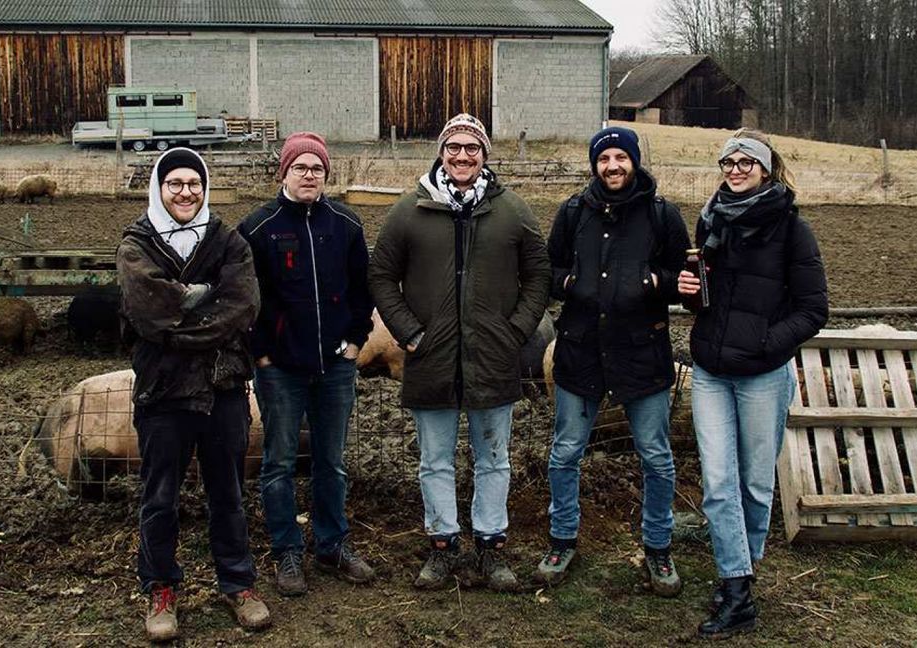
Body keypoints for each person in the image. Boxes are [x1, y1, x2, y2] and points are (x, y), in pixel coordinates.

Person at [368, 113, 550, 592]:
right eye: (454, 147)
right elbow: (382, 277)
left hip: (493, 356)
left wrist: (516, 332)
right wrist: (408, 331)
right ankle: (443, 546)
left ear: (485, 154)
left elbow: (538, 277)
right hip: (431, 356)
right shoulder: (410, 210)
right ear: (441, 153)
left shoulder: (512, 210)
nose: (463, 156)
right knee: (435, 459)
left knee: (494, 457)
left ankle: (492, 547)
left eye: (472, 147)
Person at [677, 129, 828, 639]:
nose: (736, 168)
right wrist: (689, 293)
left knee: (754, 485)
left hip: (763, 375)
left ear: (766, 169)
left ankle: (741, 570)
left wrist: (767, 343)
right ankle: (737, 587)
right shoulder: (710, 218)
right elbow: (705, 299)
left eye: (747, 162)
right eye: (729, 161)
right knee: (718, 483)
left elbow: (814, 309)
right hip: (712, 372)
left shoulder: (792, 229)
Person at [116, 147, 270, 642]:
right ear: (159, 189)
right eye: (175, 183)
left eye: (194, 183)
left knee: (228, 492)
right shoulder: (136, 245)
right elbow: (148, 311)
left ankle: (238, 584)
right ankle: (161, 588)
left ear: (205, 187)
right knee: (160, 496)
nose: (186, 192)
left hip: (223, 385)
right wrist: (196, 307)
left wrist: (181, 321)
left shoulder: (228, 241)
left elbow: (243, 305)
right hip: (163, 392)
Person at [536, 126, 690, 596]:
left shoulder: (662, 216)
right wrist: (569, 285)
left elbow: (682, 275)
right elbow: (549, 270)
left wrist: (651, 282)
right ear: (594, 166)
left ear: (635, 161)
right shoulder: (572, 214)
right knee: (565, 453)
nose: (613, 166)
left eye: (621, 158)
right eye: (604, 160)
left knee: (657, 457)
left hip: (642, 351)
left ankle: (658, 547)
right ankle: (562, 539)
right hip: (581, 350)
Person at [238, 132, 376, 596]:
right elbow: (246, 298)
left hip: (335, 365)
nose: (309, 175)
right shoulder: (258, 228)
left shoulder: (346, 224)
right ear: (284, 172)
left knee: (331, 461)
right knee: (277, 461)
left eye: (317, 168)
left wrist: (356, 342)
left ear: (326, 175)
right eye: (301, 167)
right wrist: (261, 352)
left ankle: (332, 542)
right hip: (280, 368)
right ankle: (286, 550)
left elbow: (364, 290)